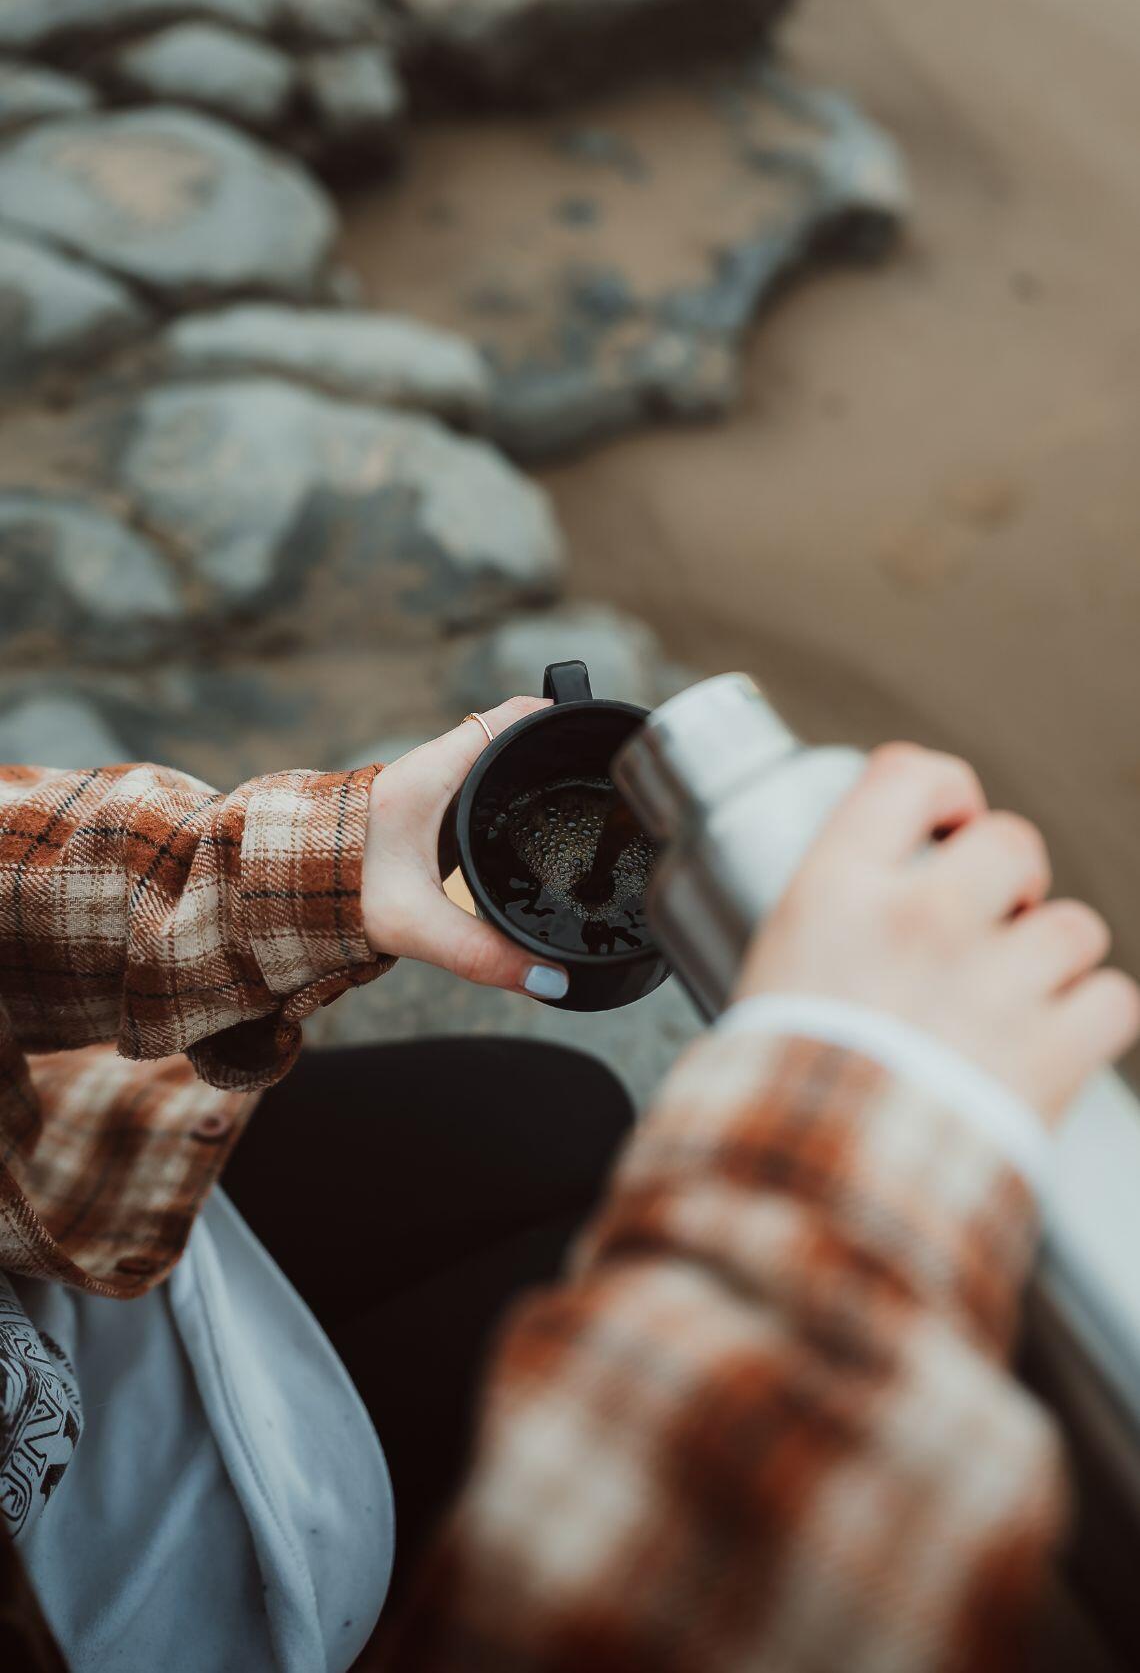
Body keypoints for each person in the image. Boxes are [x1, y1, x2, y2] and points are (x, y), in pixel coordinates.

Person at [0, 709, 1136, 1671]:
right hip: (135, 1595)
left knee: (561, 1110)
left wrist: (252, 868)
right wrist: (860, 1141)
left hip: (55, 1213)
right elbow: (633, 1611)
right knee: (569, 1209)